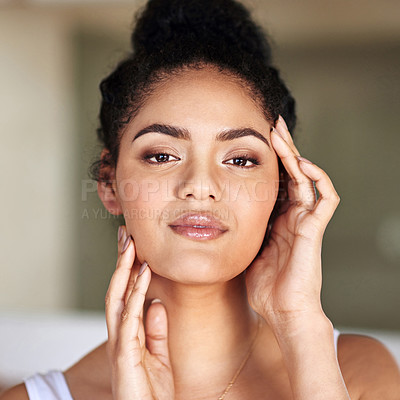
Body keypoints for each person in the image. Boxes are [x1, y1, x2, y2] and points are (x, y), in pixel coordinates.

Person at [2, 0, 400, 399]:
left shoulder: (355, 373)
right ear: (109, 184)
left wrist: (299, 322)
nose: (201, 185)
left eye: (240, 159)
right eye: (162, 156)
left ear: (283, 191)